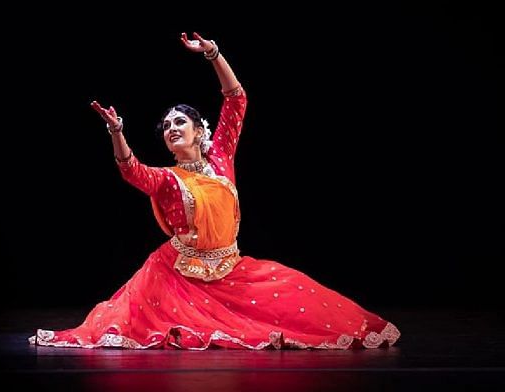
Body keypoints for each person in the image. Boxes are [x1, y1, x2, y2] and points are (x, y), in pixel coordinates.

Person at [29, 33, 400, 349]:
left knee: (300, 295)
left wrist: (214, 55)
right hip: (177, 274)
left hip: (230, 268)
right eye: (166, 126)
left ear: (199, 130)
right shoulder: (167, 177)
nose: (171, 127)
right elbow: (132, 172)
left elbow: (236, 100)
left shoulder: (221, 157)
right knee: (143, 327)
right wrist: (116, 133)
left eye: (180, 121)